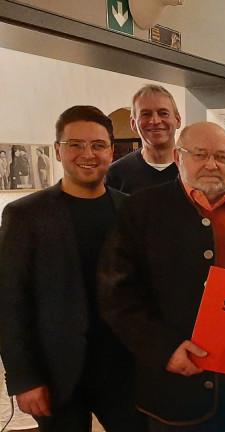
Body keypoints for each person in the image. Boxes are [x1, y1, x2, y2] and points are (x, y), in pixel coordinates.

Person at [98, 122, 225, 431]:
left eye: (221, 156)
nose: (211, 164)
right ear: (179, 157)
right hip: (179, 393)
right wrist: (163, 348)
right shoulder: (141, 210)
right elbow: (116, 295)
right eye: (200, 154)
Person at [0, 105, 145, 431]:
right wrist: (24, 378)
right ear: (57, 151)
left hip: (124, 369)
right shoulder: (25, 215)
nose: (87, 154)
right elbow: (10, 303)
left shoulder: (131, 210)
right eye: (75, 144)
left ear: (111, 150)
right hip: (56, 372)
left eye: (97, 145)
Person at [106, 84, 181, 194]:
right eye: (146, 114)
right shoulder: (115, 174)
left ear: (178, 120)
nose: (155, 121)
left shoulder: (195, 170)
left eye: (163, 113)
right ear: (133, 123)